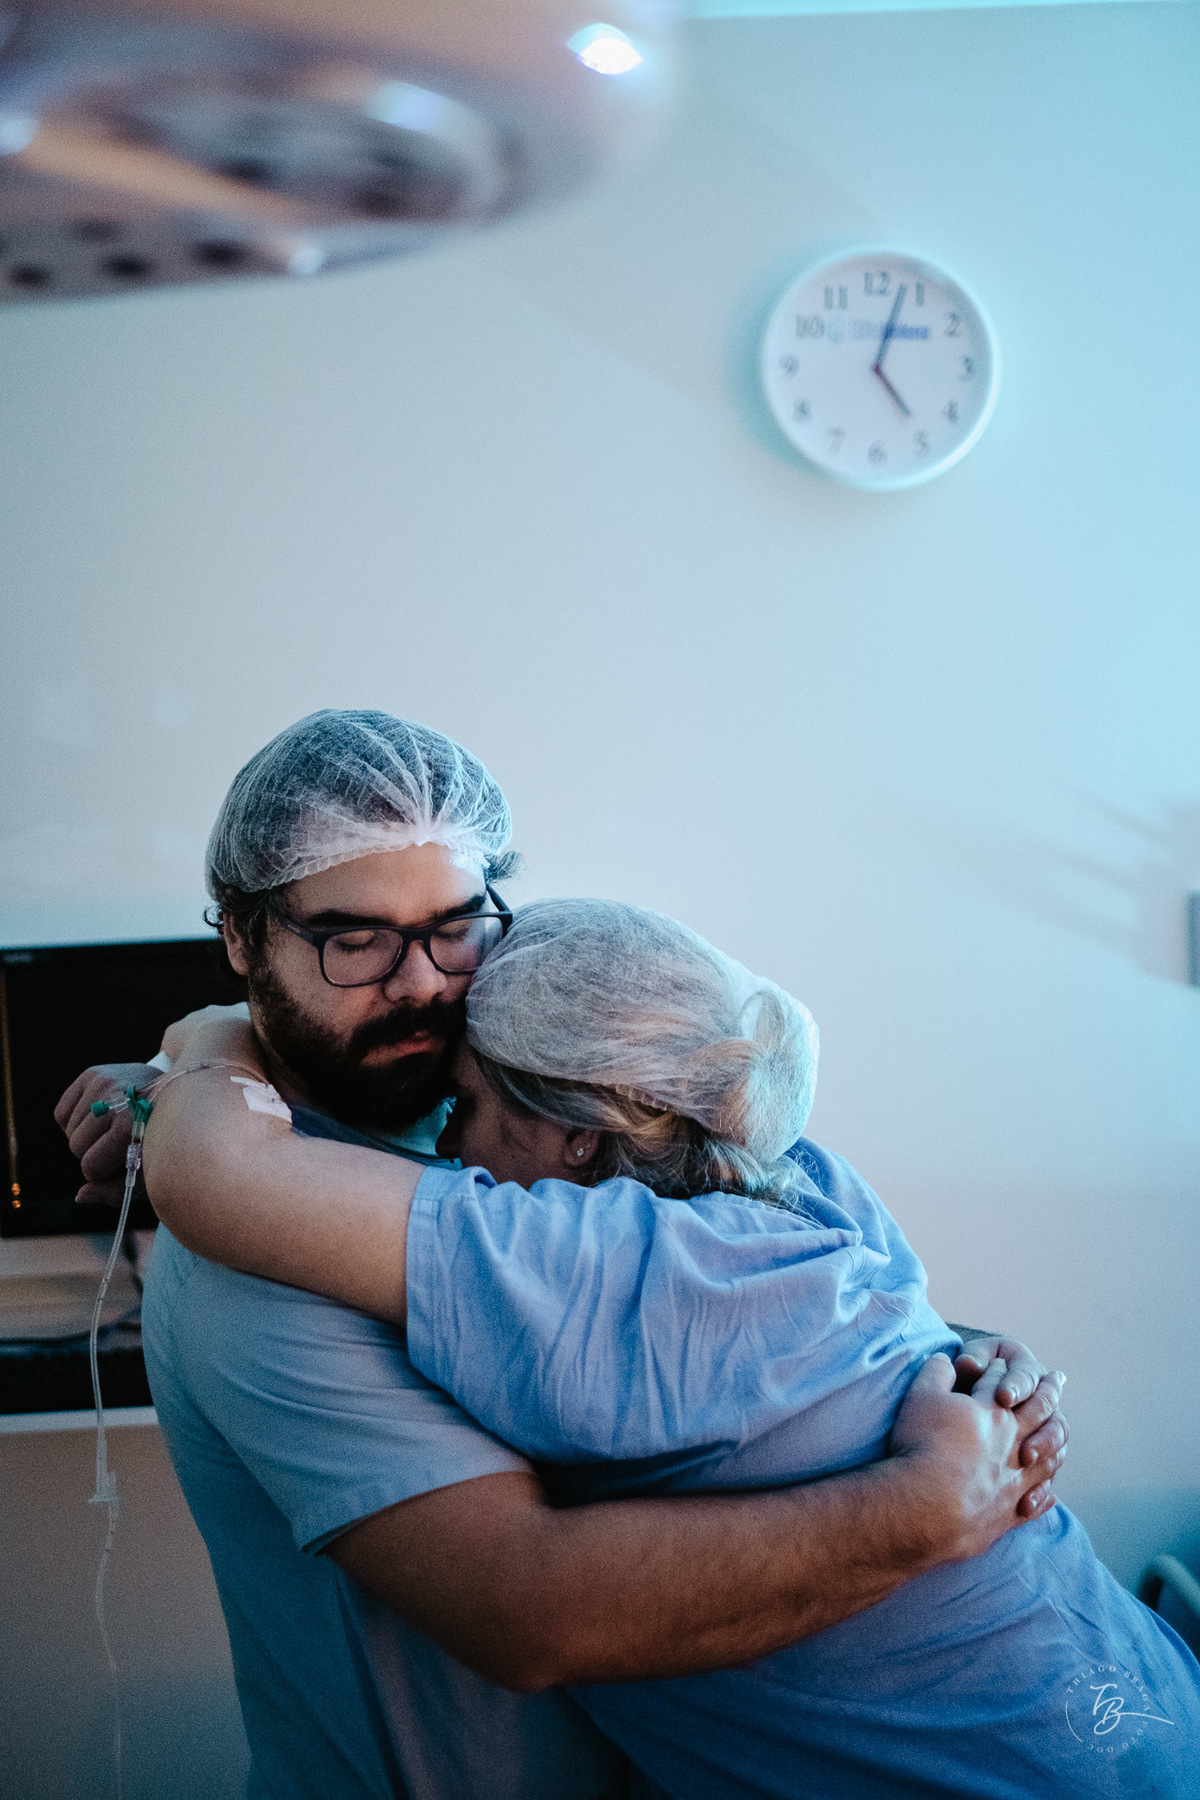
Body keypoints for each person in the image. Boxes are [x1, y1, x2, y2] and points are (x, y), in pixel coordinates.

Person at [57, 710, 1068, 1800]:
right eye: (355, 940)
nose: (424, 984)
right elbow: (529, 1611)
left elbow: (724, 1287)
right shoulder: (256, 1255)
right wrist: (927, 1506)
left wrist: (942, 1351)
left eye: (456, 926)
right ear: (244, 941)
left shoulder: (521, 1115)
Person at [135, 894, 1200, 1798]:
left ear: (581, 1135)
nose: (444, 1146)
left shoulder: (584, 1260)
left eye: (462, 1105)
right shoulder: (801, 1178)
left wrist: (214, 1030)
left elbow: (217, 1177)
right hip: (1144, 1711)